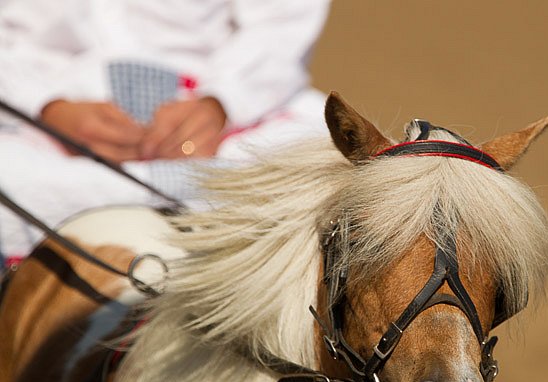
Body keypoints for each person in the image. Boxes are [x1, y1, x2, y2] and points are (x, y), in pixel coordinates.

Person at [0, 0, 331, 264]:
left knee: (319, 172)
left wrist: (220, 104)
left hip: (221, 111)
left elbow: (280, 24)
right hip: (31, 114)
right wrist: (46, 107)